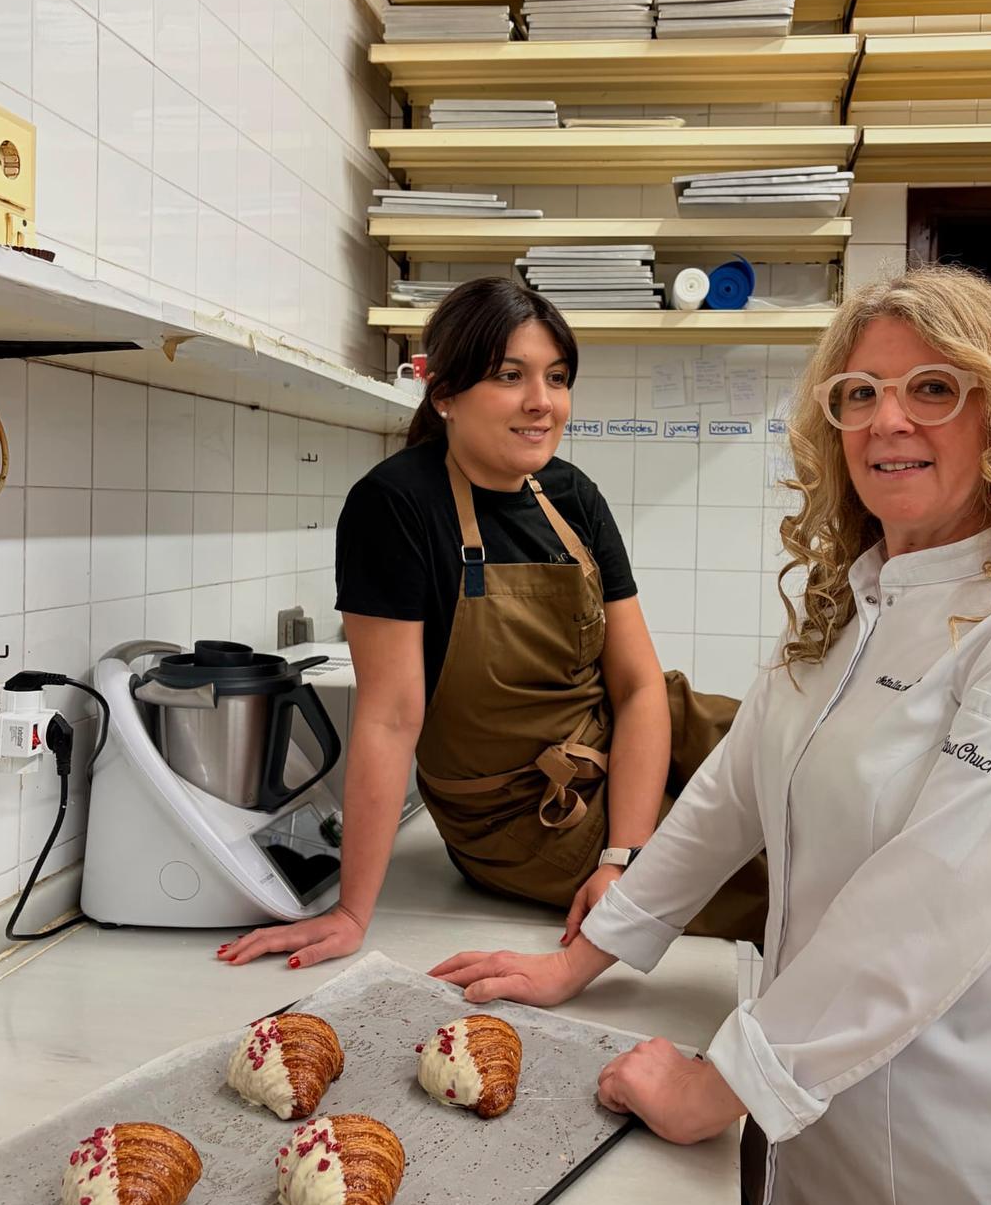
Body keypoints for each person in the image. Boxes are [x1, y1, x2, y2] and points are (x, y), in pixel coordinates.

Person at [429, 265, 991, 1205]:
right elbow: (726, 798)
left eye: (934, 388)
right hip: (819, 1180)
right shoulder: (846, 615)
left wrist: (716, 1085)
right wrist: (581, 959)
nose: (887, 420)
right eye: (859, 394)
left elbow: (927, 907)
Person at [220, 277, 768, 971]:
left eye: (557, 378)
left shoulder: (572, 495)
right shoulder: (395, 506)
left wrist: (622, 858)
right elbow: (390, 719)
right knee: (771, 882)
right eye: (511, 376)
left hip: (625, 735)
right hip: (525, 812)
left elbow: (637, 688)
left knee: (813, 774)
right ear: (444, 394)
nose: (543, 402)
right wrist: (352, 912)